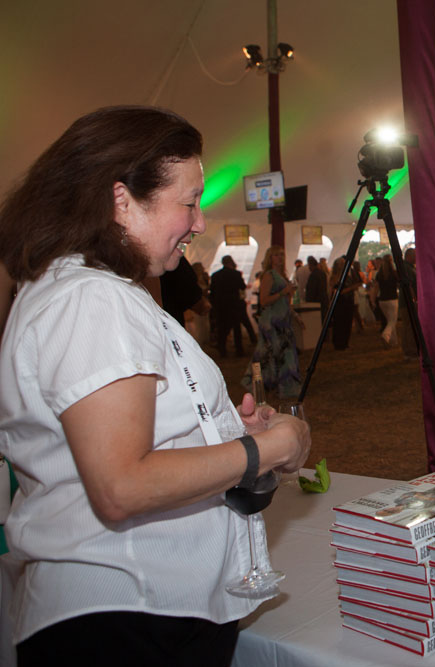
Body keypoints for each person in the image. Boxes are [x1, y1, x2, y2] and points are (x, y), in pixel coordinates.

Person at [0, 106, 310, 664]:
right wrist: (268, 447)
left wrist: (214, 433)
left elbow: (118, 440)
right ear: (121, 200)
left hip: (140, 616)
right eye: (188, 202)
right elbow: (122, 484)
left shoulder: (95, 291)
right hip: (127, 621)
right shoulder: (91, 299)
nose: (197, 222)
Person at [243, 246, 302, 400]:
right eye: (276, 255)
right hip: (271, 321)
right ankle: (261, 384)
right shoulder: (269, 275)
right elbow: (263, 301)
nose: (280, 258)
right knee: (269, 354)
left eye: (282, 255)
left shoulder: (282, 274)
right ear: (270, 258)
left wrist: (295, 315)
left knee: (284, 353)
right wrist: (284, 291)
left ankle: (284, 386)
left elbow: (285, 302)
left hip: (283, 320)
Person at [211, 255, 250, 356]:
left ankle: (222, 349)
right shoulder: (236, 274)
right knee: (236, 327)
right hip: (233, 303)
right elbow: (242, 286)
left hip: (221, 305)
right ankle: (239, 350)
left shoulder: (215, 275)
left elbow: (212, 290)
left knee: (222, 328)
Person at [329, 256, 361, 350]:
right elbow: (337, 290)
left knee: (347, 322)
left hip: (348, 301)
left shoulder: (348, 275)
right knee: (339, 323)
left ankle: (345, 342)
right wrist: (351, 288)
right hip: (340, 302)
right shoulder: (335, 276)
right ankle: (339, 343)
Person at [375, 253, 400, 346]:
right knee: (392, 321)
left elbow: (376, 287)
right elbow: (399, 285)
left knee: (389, 320)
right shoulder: (394, 273)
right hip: (392, 299)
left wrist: (373, 299)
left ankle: (393, 341)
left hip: (382, 300)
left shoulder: (379, 274)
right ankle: (386, 335)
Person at [399, 247, 419, 359]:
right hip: (408, 302)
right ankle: (410, 351)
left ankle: (408, 350)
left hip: (406, 302)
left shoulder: (408, 267)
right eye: (415, 255)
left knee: (408, 326)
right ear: (409, 256)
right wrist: (414, 300)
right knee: (410, 326)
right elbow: (409, 285)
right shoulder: (407, 268)